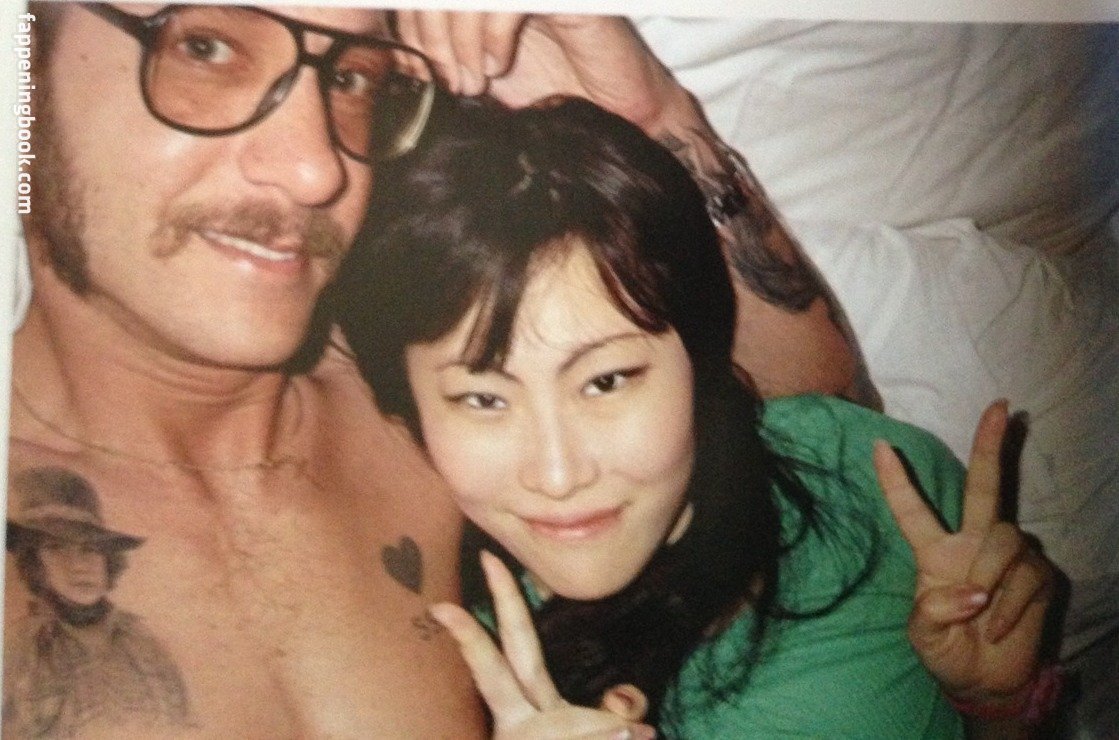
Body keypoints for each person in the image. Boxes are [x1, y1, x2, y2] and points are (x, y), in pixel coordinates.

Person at [8, 3, 869, 736]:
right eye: (206, 48)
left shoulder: (402, 389)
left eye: (351, 79)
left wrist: (648, 113)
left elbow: (815, 412)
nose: (316, 169)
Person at [332, 96, 1058, 738]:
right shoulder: (424, 655)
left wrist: (993, 704)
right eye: (484, 400)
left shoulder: (875, 486)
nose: (557, 474)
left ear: (698, 355)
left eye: (607, 381)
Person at [4, 467, 192, 737]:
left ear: (108, 561)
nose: (78, 565)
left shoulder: (143, 642)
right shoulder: (18, 648)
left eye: (90, 549)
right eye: (56, 548)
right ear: (35, 564)